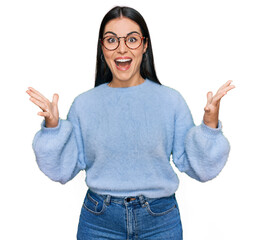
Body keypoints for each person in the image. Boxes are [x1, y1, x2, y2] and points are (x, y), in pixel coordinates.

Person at [26, 6, 235, 240]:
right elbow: (63, 170)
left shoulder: (170, 101)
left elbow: (200, 168)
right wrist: (53, 129)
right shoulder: (84, 104)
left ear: (145, 46)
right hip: (98, 222)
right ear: (102, 47)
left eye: (132, 39)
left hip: (160, 221)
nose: (122, 48)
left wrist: (209, 126)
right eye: (112, 40)